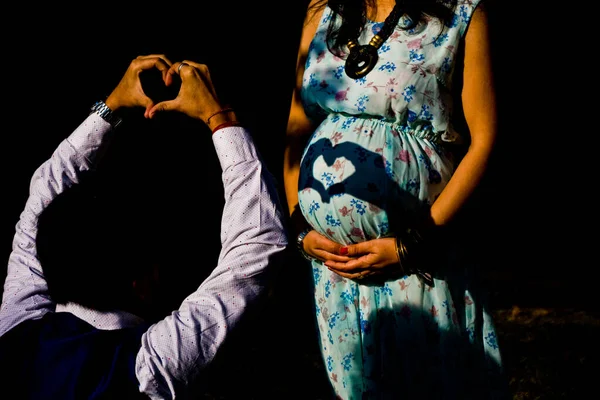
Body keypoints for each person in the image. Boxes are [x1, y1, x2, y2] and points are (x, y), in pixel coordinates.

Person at [0, 54, 288, 399]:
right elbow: (257, 245)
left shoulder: (17, 328)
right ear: (143, 283)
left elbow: (42, 199)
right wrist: (219, 117)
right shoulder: (148, 366)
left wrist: (110, 108)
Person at [283, 0, 508, 398]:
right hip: (336, 268)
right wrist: (302, 231)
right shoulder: (323, 13)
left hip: (421, 262)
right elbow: (295, 134)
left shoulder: (463, 14)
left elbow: (486, 140)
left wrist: (412, 245)